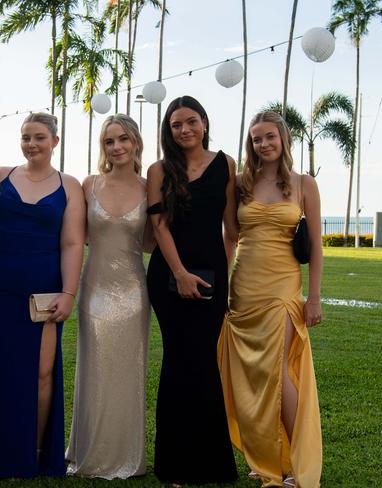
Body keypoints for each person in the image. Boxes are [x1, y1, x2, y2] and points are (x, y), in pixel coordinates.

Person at [0, 112, 85, 479]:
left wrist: (68, 292)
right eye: (25, 137)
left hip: (45, 289)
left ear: (55, 141)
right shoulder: (0, 175)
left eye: (38, 137)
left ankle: (33, 451)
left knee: (42, 371)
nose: (31, 144)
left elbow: (71, 242)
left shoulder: (70, 185)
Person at [219, 110, 323, 488]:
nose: (263, 144)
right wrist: (220, 281)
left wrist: (313, 298)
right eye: (256, 139)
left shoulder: (303, 184)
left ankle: (298, 462)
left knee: (278, 371)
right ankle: (265, 455)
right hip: (244, 285)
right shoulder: (239, 183)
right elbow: (231, 236)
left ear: (283, 140)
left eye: (269, 137)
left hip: (282, 288)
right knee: (251, 373)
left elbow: (315, 245)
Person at [145, 95, 239, 486]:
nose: (184, 130)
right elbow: (160, 227)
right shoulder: (159, 170)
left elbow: (231, 229)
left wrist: (227, 279)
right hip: (168, 277)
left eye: (190, 122)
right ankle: (174, 466)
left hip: (213, 277)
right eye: (175, 125)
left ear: (204, 122)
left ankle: (213, 464)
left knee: (204, 364)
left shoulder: (227, 164)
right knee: (179, 362)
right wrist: (180, 272)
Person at [66, 114, 154, 479]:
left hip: (134, 291)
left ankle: (126, 455)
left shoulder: (151, 187)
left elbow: (151, 241)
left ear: (135, 142)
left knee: (128, 372)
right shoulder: (89, 185)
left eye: (122, 139)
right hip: (95, 288)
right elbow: (74, 238)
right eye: (108, 141)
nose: (116, 147)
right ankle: (88, 451)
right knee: (94, 369)